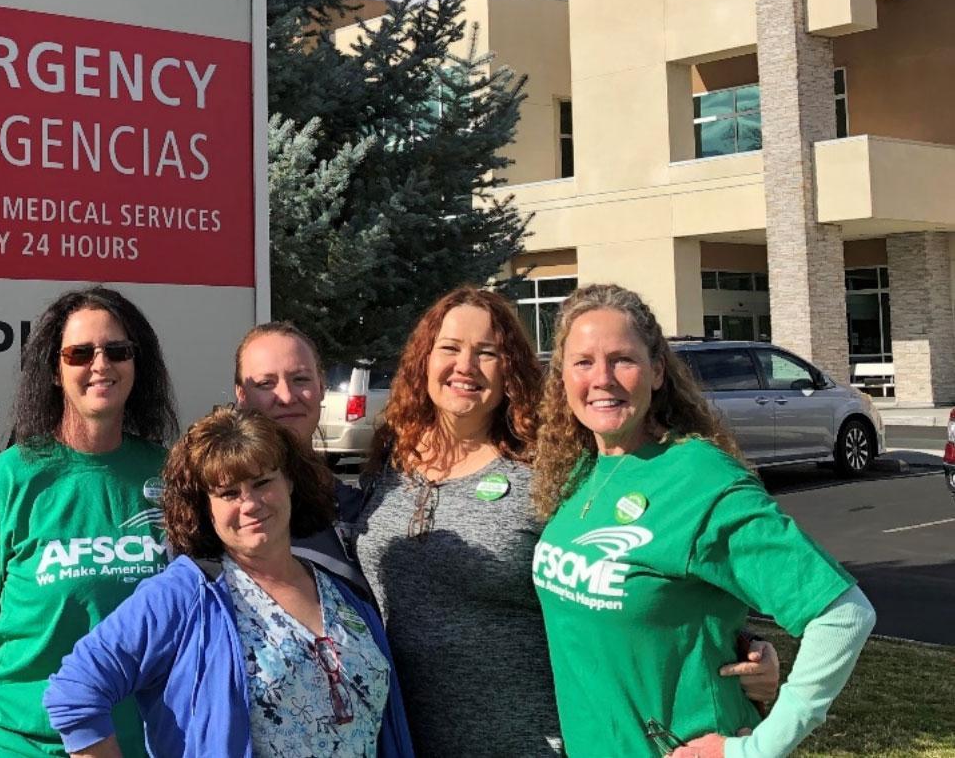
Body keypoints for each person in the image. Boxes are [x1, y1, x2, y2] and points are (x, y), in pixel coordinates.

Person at [352, 286, 782, 757]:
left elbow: (638, 570)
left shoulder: (550, 467)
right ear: (424, 360)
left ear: (511, 368)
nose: (465, 367)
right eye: (450, 349)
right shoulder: (391, 459)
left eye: (487, 353)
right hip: (403, 735)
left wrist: (743, 644)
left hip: (531, 738)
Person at [531, 284, 875, 758]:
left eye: (622, 360)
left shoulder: (702, 481)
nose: (602, 378)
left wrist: (754, 750)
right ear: (562, 377)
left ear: (655, 373)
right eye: (583, 362)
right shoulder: (583, 469)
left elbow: (842, 615)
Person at [43, 407, 416, 758]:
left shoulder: (343, 592)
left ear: (289, 482)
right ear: (205, 507)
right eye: (228, 493)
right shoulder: (186, 594)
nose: (250, 503)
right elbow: (75, 691)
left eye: (262, 482)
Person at [0, 286, 179, 757]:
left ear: (137, 365)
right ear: (56, 371)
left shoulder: (170, 476)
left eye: (117, 351)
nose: (100, 365)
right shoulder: (12, 478)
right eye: (80, 353)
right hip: (25, 745)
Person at [233, 321, 371, 597]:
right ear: (242, 396)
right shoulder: (219, 506)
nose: (286, 396)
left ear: (321, 386)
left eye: (300, 379)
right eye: (265, 384)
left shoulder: (357, 507)